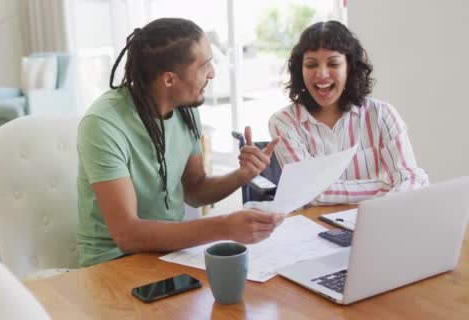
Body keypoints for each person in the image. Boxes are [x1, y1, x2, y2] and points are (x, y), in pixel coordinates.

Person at [76, 18, 283, 267]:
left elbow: (195, 190)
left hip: (169, 253)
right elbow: (127, 235)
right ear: (169, 80)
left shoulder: (185, 108)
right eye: (205, 65)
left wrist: (242, 175)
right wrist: (225, 226)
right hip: (113, 261)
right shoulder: (103, 125)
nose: (213, 73)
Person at [268, 21, 429, 205]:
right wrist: (384, 186)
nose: (321, 74)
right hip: (314, 225)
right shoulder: (283, 122)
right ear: (300, 70)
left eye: (333, 63)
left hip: (376, 221)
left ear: (349, 67)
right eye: (311, 65)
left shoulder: (382, 114)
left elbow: (411, 178)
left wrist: (395, 190)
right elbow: (308, 192)